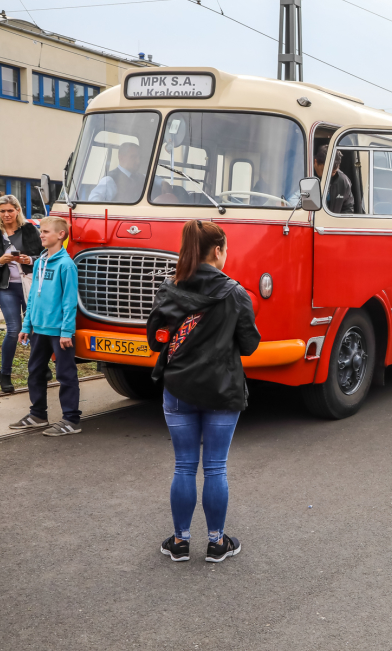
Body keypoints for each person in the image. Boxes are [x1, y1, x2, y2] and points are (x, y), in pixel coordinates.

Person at [148, 220, 261, 563]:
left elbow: (155, 339)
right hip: (222, 390)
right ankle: (216, 542)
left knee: (184, 466)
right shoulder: (235, 293)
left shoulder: (169, 288)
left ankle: (180, 541)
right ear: (217, 250)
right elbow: (250, 344)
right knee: (215, 468)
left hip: (178, 388)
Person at [7, 217, 80, 436]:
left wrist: (66, 331)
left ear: (61, 235)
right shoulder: (39, 262)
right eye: (41, 231)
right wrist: (26, 325)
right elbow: (33, 297)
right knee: (35, 371)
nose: (41, 235)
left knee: (65, 374)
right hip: (38, 329)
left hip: (59, 332)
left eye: (46, 231)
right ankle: (38, 415)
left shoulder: (66, 265)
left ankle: (71, 420)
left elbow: (69, 301)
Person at [0, 195, 43, 393]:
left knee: (34, 328)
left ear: (18, 210)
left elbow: (44, 256)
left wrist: (29, 260)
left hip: (30, 285)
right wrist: (0, 260)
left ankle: (39, 369)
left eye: (10, 210)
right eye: (2, 211)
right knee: (13, 329)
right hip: (6, 288)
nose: (7, 214)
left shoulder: (30, 230)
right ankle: (5, 374)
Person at [316, 147, 354, 213]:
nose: (329, 176)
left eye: (333, 172)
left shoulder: (344, 181)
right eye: (325, 171)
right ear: (315, 162)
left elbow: (348, 208)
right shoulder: (303, 175)